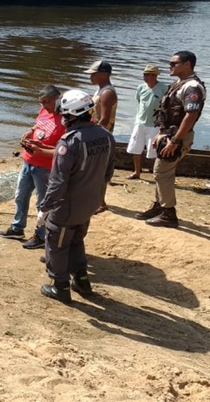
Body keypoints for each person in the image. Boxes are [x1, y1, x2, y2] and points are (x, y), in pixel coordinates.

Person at [37, 90, 115, 304]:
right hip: (90, 203)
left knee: (56, 244)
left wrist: (45, 207)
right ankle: (81, 281)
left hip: (67, 206)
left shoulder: (68, 142)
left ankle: (60, 287)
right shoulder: (106, 136)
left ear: (71, 115)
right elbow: (107, 173)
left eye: (64, 114)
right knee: (76, 241)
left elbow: (58, 181)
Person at [137, 50, 206, 228]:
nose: (169, 66)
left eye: (173, 63)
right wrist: (161, 133)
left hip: (178, 137)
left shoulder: (192, 87)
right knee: (162, 171)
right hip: (169, 135)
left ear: (187, 64)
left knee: (161, 172)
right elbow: (168, 113)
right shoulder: (179, 84)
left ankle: (168, 214)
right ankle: (159, 206)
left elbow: (191, 115)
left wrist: (175, 140)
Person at [0, 85, 65, 250]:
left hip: (45, 167)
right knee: (20, 195)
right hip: (29, 161)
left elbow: (65, 147)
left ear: (56, 99)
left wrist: (41, 148)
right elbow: (38, 125)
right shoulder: (44, 111)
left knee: (43, 204)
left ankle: (41, 235)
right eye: (41, 102)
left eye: (46, 102)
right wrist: (30, 131)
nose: (43, 106)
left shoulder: (66, 119)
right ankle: (17, 227)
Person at [84, 60, 118, 214]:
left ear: (104, 74)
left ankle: (101, 202)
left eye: (94, 74)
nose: (91, 77)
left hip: (101, 135)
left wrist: (93, 136)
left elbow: (104, 119)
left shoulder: (107, 93)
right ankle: (96, 199)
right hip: (97, 132)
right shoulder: (101, 90)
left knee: (100, 168)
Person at [125, 65, 165, 179]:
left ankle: (158, 174)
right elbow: (139, 101)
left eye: (149, 74)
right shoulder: (141, 88)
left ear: (155, 75)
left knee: (153, 151)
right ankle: (137, 172)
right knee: (136, 149)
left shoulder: (163, 88)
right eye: (145, 74)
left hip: (155, 124)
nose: (146, 77)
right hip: (140, 122)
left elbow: (166, 106)